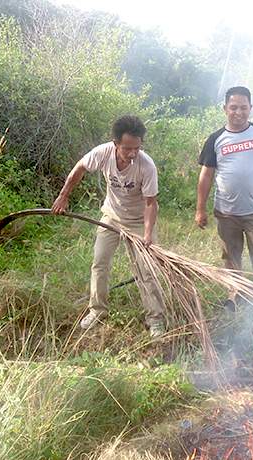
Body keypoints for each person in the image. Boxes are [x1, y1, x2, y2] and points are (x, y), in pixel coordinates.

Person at [52, 115, 165, 337]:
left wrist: (148, 234)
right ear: (115, 144)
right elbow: (79, 168)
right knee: (99, 263)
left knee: (146, 271)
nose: (132, 153)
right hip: (111, 216)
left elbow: (151, 203)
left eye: (137, 148)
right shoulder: (102, 153)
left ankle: (155, 318)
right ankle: (97, 310)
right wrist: (63, 196)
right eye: (127, 149)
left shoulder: (146, 165)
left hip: (138, 222)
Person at [195, 86, 253, 306]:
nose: (238, 112)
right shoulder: (216, 139)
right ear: (225, 108)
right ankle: (236, 294)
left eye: (243, 107)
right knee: (231, 255)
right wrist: (200, 209)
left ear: (250, 108)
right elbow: (206, 175)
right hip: (227, 212)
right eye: (233, 107)